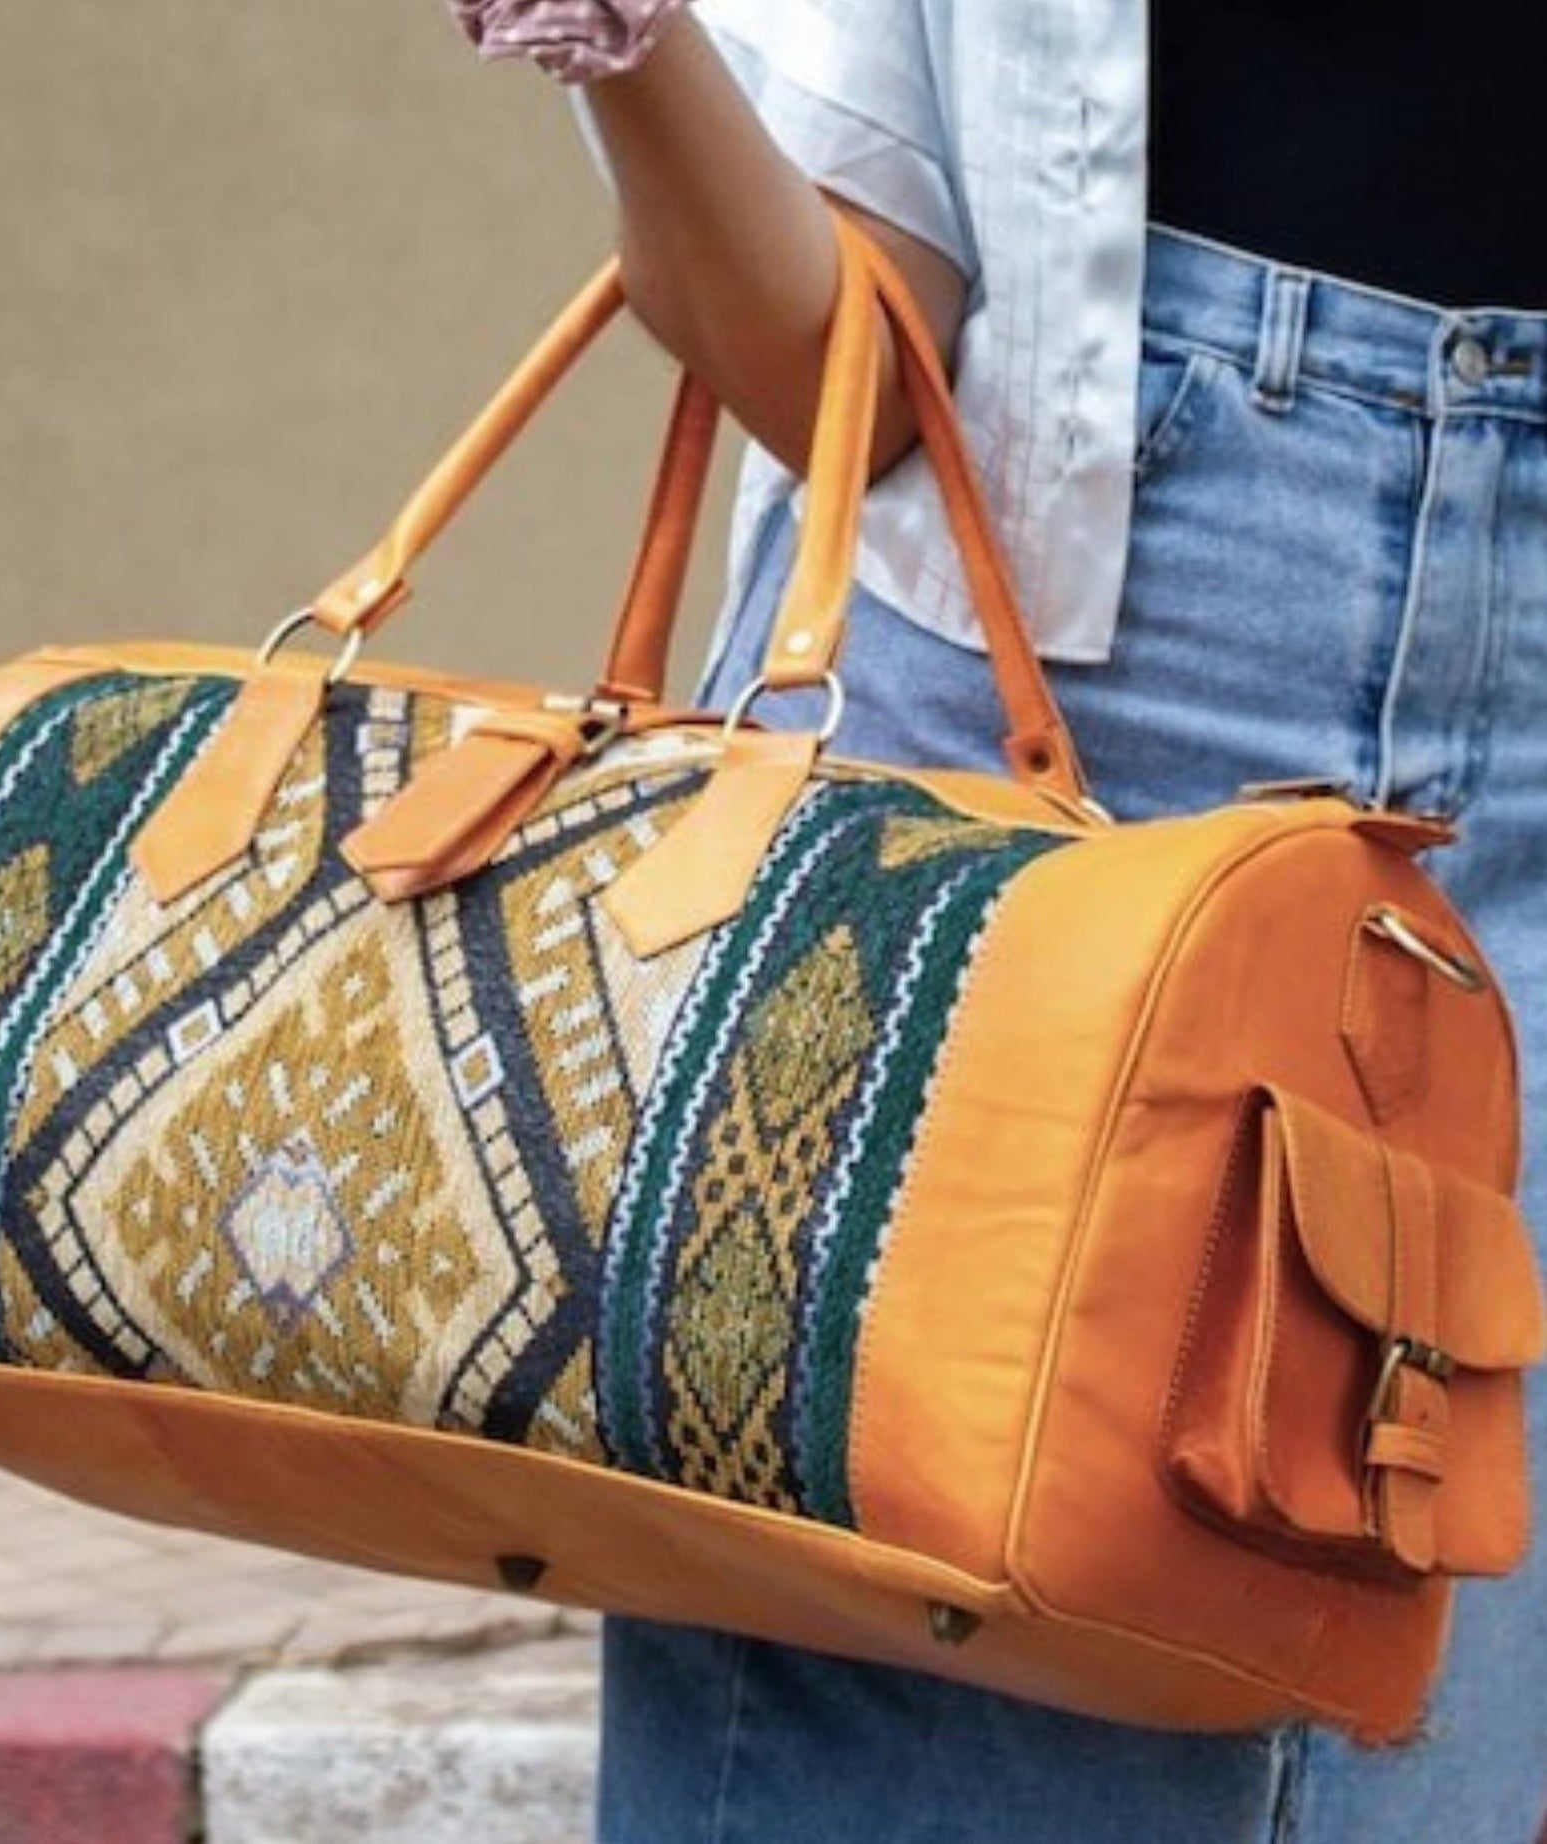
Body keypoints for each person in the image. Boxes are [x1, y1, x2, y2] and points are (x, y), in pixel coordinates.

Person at [450, 3, 1547, 1838]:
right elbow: (837, 354)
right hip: (1059, 661)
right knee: (906, 1732)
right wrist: (628, 43)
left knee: (1436, 1761)